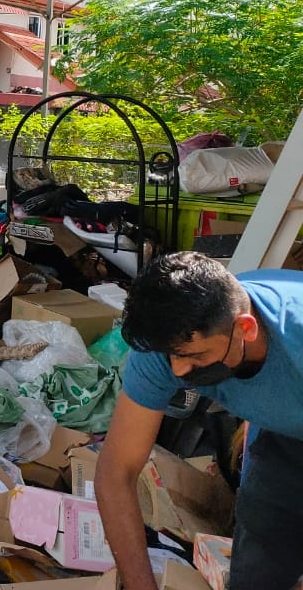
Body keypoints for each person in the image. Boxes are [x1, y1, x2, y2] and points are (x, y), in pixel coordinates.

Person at [95, 251, 303, 590]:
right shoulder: (164, 347)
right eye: (172, 356)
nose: (178, 370)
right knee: (261, 561)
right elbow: (116, 473)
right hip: (281, 432)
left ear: (245, 329)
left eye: (194, 356)